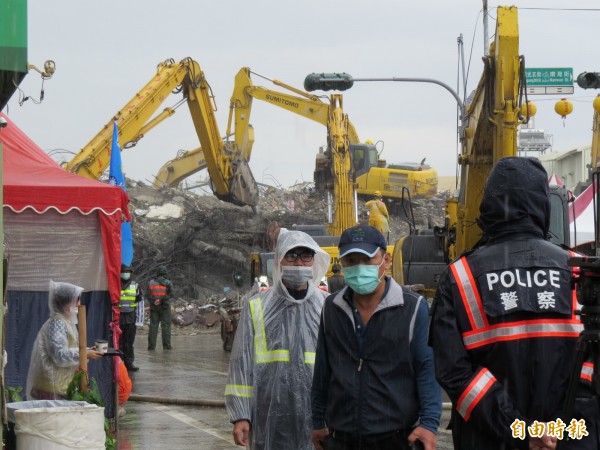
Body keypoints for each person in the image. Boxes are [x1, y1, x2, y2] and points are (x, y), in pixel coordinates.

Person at [430, 157, 600, 450]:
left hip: (490, 441)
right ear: (542, 205)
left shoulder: (460, 277)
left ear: (489, 205)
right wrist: (559, 428)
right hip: (571, 441)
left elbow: (455, 374)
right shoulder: (581, 271)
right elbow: (592, 367)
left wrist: (520, 430)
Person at [311, 225, 441, 450]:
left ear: (386, 260)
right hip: (341, 438)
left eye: (366, 259)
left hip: (395, 439)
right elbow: (323, 370)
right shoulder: (332, 307)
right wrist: (317, 421)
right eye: (350, 260)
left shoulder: (412, 308)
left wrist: (429, 424)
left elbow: (426, 370)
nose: (358, 267)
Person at [225, 230, 331, 450]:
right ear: (280, 259)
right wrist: (241, 415)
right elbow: (241, 365)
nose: (299, 262)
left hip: (319, 417)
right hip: (269, 416)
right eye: (291, 255)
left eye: (305, 256)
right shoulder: (256, 306)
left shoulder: (329, 306)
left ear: (314, 260)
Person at [27, 280, 103, 400]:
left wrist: (87, 351)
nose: (79, 304)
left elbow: (70, 348)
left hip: (60, 385)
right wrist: (84, 354)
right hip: (51, 387)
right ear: (66, 303)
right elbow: (59, 355)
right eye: (77, 300)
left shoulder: (66, 322)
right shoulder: (57, 323)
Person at [119, 265, 142, 372]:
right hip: (118, 318)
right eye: (123, 271)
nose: (125, 273)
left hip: (131, 317)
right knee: (118, 342)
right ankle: (118, 363)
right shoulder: (115, 285)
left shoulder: (135, 285)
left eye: (127, 272)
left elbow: (140, 303)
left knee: (129, 342)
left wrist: (139, 320)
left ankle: (129, 363)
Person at [147, 265, 174, 350]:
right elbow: (171, 294)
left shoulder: (151, 282)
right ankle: (166, 347)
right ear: (165, 273)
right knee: (165, 327)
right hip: (165, 307)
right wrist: (161, 300)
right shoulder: (168, 282)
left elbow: (148, 295)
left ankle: (151, 347)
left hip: (154, 307)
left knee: (153, 327)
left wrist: (154, 301)